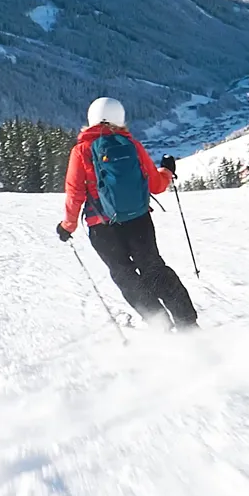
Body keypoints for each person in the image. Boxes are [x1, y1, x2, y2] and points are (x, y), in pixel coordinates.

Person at [56, 97, 197, 331]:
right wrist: (167, 171)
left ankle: (160, 324)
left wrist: (67, 226)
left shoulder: (81, 150)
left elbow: (74, 194)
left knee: (124, 274)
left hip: (101, 227)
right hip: (139, 220)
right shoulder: (130, 145)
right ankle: (188, 324)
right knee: (154, 268)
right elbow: (156, 184)